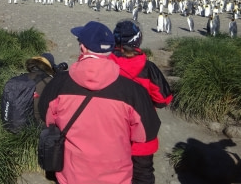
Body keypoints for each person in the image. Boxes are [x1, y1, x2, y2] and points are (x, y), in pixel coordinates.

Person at [38, 21, 161, 184]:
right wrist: (143, 178)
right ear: (110, 50)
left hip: (71, 176)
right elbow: (146, 140)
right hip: (117, 178)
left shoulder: (58, 84)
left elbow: (45, 117)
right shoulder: (133, 91)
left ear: (82, 48)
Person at [110, 19, 173, 184]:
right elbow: (163, 100)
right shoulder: (148, 68)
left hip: (112, 133)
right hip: (143, 134)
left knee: (113, 174)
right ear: (138, 40)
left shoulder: (106, 65)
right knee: (143, 175)